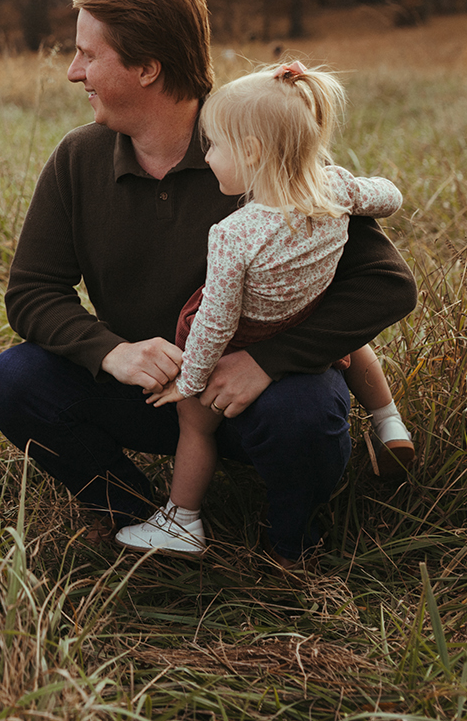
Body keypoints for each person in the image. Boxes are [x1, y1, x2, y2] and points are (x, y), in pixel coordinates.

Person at [0, 0, 416, 562]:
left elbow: (387, 285)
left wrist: (266, 361)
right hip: (155, 394)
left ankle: (293, 545)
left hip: (258, 398)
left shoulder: (253, 141)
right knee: (14, 381)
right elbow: (32, 293)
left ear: (147, 68)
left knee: (307, 415)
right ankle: (136, 516)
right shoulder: (78, 158)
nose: (73, 72)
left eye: (87, 55)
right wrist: (113, 352)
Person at [116, 62, 412, 554]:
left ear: (251, 152)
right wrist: (348, 183)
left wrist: (190, 381)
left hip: (249, 333)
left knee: (195, 424)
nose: (207, 158)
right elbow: (390, 196)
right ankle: (388, 420)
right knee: (350, 341)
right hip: (305, 314)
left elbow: (217, 320)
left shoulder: (235, 233)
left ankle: (182, 519)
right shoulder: (334, 189)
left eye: (214, 146)